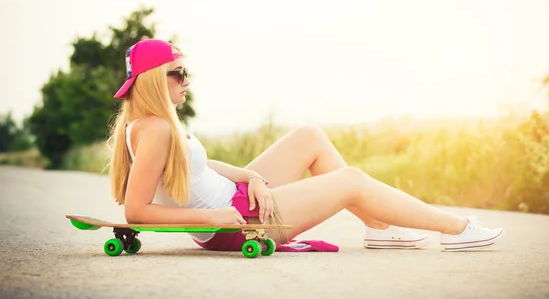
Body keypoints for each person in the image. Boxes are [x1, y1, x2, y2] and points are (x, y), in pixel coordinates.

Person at [107, 38, 505, 253]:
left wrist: (252, 176)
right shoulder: (156, 129)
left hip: (238, 201)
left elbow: (199, 168)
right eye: (179, 74)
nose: (187, 81)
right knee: (350, 180)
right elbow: (137, 210)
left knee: (309, 136)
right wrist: (220, 219)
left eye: (186, 72)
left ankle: (379, 227)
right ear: (155, 80)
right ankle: (456, 228)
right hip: (236, 225)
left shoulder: (158, 124)